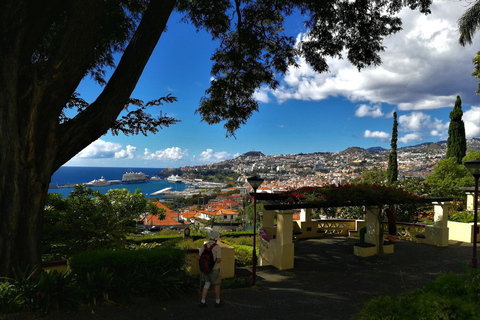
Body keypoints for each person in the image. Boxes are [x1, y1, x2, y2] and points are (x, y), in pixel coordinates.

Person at [198, 230, 224, 308]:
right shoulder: (217, 247)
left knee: (206, 284)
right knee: (216, 285)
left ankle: (203, 301)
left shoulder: (204, 246)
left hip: (205, 268)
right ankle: (218, 302)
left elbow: (198, 257)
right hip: (214, 268)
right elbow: (218, 260)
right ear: (216, 238)